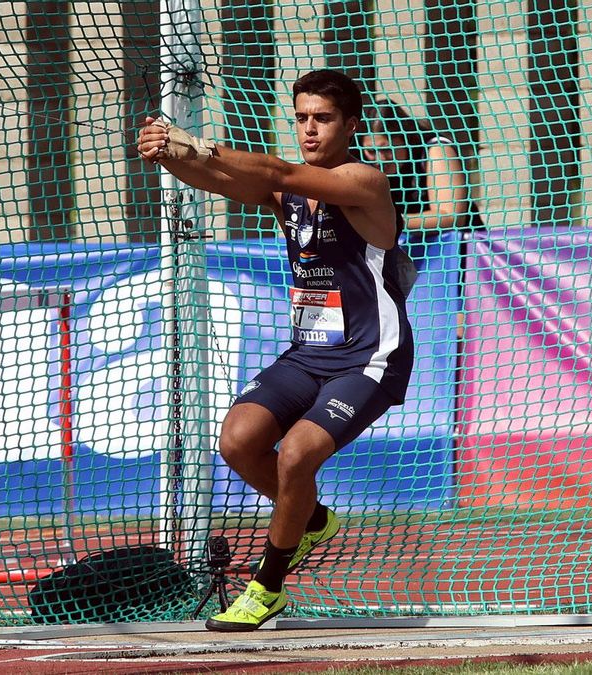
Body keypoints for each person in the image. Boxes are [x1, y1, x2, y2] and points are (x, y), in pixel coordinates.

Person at [136, 70, 414, 632]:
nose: (310, 129)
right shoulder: (290, 193)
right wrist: (166, 153)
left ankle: (267, 587)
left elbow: (276, 169)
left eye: (324, 118)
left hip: (369, 357)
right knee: (238, 442)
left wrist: (197, 142)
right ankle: (311, 518)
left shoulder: (365, 181)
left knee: (296, 456)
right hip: (308, 352)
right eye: (302, 118)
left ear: (351, 124)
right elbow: (217, 181)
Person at [363, 97, 483, 235]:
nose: (379, 159)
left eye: (386, 149)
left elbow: (452, 217)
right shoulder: (362, 163)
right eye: (371, 151)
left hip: (460, 250)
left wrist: (391, 222)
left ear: (405, 139)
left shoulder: (435, 150)